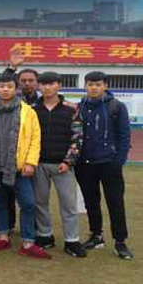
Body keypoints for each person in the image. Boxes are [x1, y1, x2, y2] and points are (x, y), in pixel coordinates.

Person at [0, 74, 50, 259]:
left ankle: (28, 242)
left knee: (28, 204)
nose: (5, 89)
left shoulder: (28, 112)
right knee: (0, 204)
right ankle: (3, 237)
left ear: (16, 89)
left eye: (9, 86)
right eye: (2, 86)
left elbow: (35, 139)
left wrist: (30, 162)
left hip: (19, 168)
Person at [75, 71, 133, 260]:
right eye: (90, 84)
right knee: (91, 202)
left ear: (105, 86)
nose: (94, 88)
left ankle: (120, 241)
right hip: (85, 164)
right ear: (85, 86)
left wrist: (119, 161)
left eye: (98, 84)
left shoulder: (117, 106)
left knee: (115, 202)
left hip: (109, 163)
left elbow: (124, 135)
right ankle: (96, 235)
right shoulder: (80, 106)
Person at [33, 71, 86, 258]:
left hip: (63, 165)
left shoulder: (72, 109)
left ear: (59, 85)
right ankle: (44, 236)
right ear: (39, 87)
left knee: (68, 204)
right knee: (40, 202)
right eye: (43, 84)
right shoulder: (32, 109)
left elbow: (77, 136)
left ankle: (72, 240)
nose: (47, 87)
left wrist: (68, 161)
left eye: (51, 83)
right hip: (38, 164)